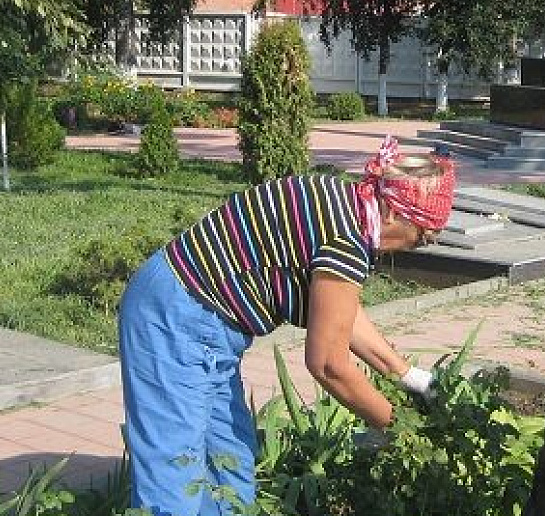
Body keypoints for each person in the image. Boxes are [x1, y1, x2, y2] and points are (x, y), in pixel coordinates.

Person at [118, 135, 453, 516]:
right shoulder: (348, 238)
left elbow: (340, 312)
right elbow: (328, 364)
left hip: (206, 322)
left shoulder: (349, 205)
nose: (415, 246)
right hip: (174, 316)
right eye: (421, 237)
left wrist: (408, 376)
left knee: (229, 462)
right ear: (394, 212)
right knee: (175, 473)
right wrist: (399, 429)